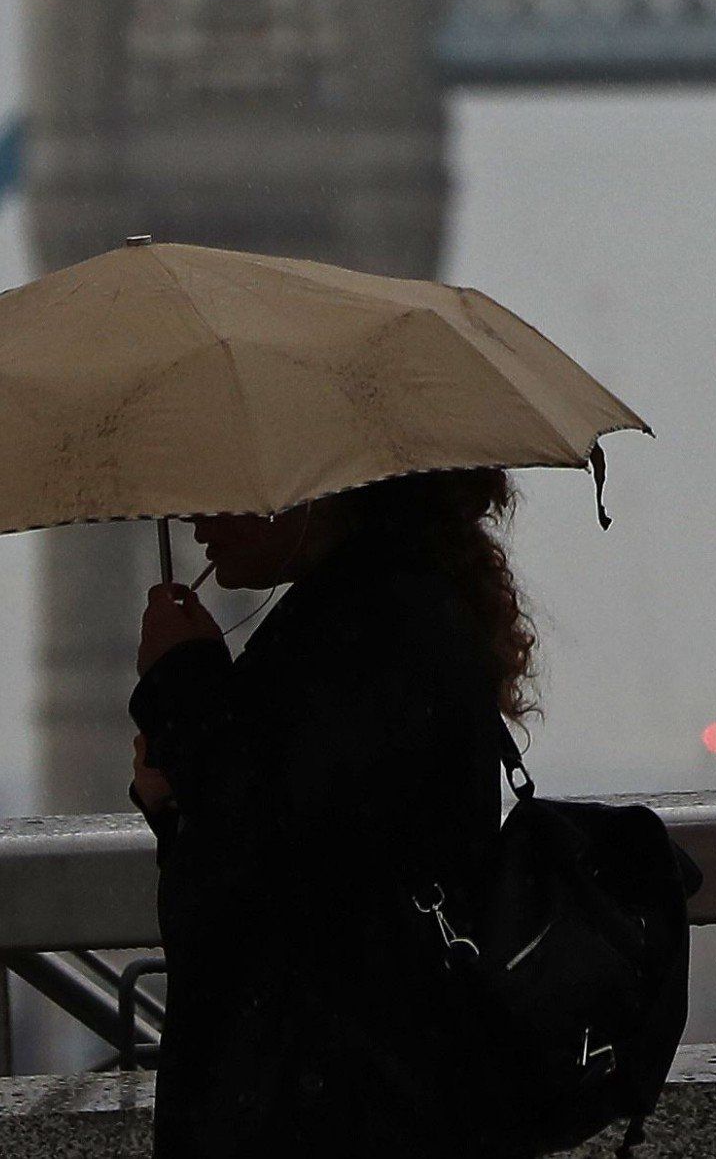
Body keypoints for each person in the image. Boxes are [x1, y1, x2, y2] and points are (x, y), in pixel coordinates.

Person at [128, 471, 530, 1159]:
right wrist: (175, 796)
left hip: (329, 1109)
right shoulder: (380, 616)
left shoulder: (365, 635)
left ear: (313, 488)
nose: (196, 516)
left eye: (226, 486)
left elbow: (278, 868)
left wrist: (181, 681)